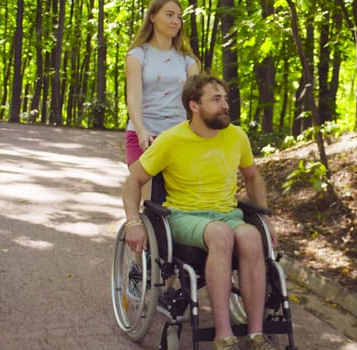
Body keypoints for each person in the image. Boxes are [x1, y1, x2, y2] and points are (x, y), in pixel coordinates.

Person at [121, 73, 279, 350]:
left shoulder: (236, 136)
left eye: (225, 99)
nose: (225, 105)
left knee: (253, 237)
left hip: (227, 214)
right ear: (194, 105)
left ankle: (256, 334)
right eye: (216, 99)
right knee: (219, 235)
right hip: (184, 216)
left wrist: (266, 221)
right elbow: (134, 181)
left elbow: (253, 177)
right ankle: (224, 335)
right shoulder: (171, 140)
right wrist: (134, 222)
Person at [125, 0, 200, 200]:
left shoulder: (188, 61)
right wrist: (141, 130)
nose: (176, 21)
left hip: (177, 138)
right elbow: (133, 96)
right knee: (151, 202)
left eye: (179, 17)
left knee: (178, 203)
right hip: (143, 136)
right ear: (152, 17)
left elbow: (196, 106)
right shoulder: (137, 55)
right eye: (169, 15)